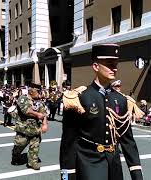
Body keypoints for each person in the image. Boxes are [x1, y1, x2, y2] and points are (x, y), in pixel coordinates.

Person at [60, 44, 143, 180]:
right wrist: (68, 176)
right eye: (109, 64)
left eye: (115, 64)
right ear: (96, 66)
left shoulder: (122, 100)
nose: (114, 68)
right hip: (88, 163)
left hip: (114, 165)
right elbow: (69, 141)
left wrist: (136, 174)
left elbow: (128, 141)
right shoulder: (79, 98)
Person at [11, 87, 48, 170]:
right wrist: (37, 115)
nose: (39, 93)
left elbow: (43, 113)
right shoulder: (23, 98)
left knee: (35, 146)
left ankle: (32, 163)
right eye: (38, 92)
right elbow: (26, 111)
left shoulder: (39, 101)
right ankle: (15, 156)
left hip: (35, 128)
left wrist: (45, 124)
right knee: (19, 145)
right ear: (31, 92)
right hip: (24, 128)